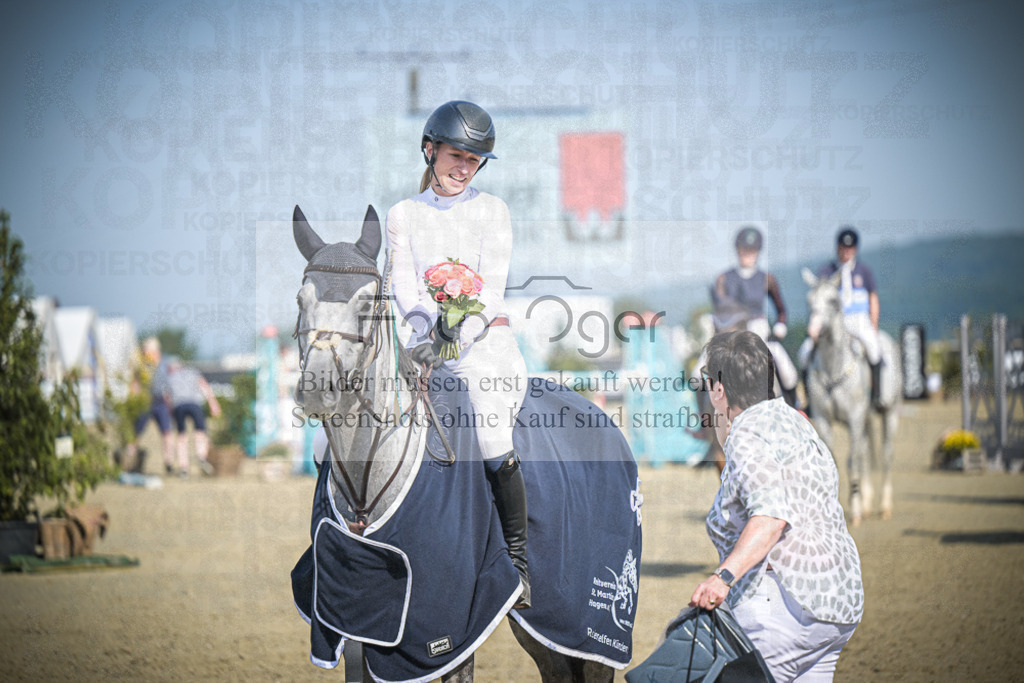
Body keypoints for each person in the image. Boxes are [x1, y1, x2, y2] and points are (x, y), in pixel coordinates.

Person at [385, 100, 531, 608]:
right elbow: (403, 286)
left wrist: (456, 336)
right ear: (430, 150)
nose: (463, 168)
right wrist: (428, 335)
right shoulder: (402, 215)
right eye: (455, 155)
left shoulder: (494, 211)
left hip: (486, 345)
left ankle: (517, 561)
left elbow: (490, 291)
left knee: (491, 432)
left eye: (473, 160)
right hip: (421, 344)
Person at [689, 330, 863, 682]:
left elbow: (771, 516)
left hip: (784, 610)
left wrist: (722, 577)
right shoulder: (798, 422)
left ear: (719, 391)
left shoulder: (747, 432)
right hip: (838, 607)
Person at [711, 226, 799, 407]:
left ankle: (795, 409)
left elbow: (781, 310)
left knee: (786, 369)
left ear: (758, 251)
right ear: (737, 250)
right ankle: (705, 423)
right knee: (698, 373)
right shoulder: (724, 278)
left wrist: (780, 326)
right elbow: (720, 309)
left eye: (751, 250)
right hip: (732, 330)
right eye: (744, 249)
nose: (747, 254)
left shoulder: (767, 279)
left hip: (759, 328)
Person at [800, 226, 883, 410]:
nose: (846, 252)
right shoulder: (826, 271)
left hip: (859, 321)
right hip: (833, 324)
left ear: (855, 249)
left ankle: (876, 395)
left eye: (850, 248)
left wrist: (874, 324)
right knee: (804, 353)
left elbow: (873, 298)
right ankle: (809, 401)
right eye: (843, 248)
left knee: (874, 348)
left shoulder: (864, 271)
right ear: (837, 248)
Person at [125, 337, 176, 475]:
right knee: (136, 433)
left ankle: (169, 463)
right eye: (145, 350)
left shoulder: (165, 363)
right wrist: (133, 399)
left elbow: (169, 384)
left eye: (148, 350)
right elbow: (134, 382)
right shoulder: (140, 362)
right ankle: (128, 461)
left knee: (167, 433)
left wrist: (171, 401)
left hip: (160, 402)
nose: (146, 352)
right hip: (145, 401)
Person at [166, 356, 221, 478]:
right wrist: (213, 404)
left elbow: (167, 397)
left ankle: (184, 467)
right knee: (200, 432)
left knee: (182, 436)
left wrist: (170, 411)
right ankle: (201, 456)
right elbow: (205, 387)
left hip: (179, 406)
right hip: (195, 405)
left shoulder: (170, 377)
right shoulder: (193, 372)